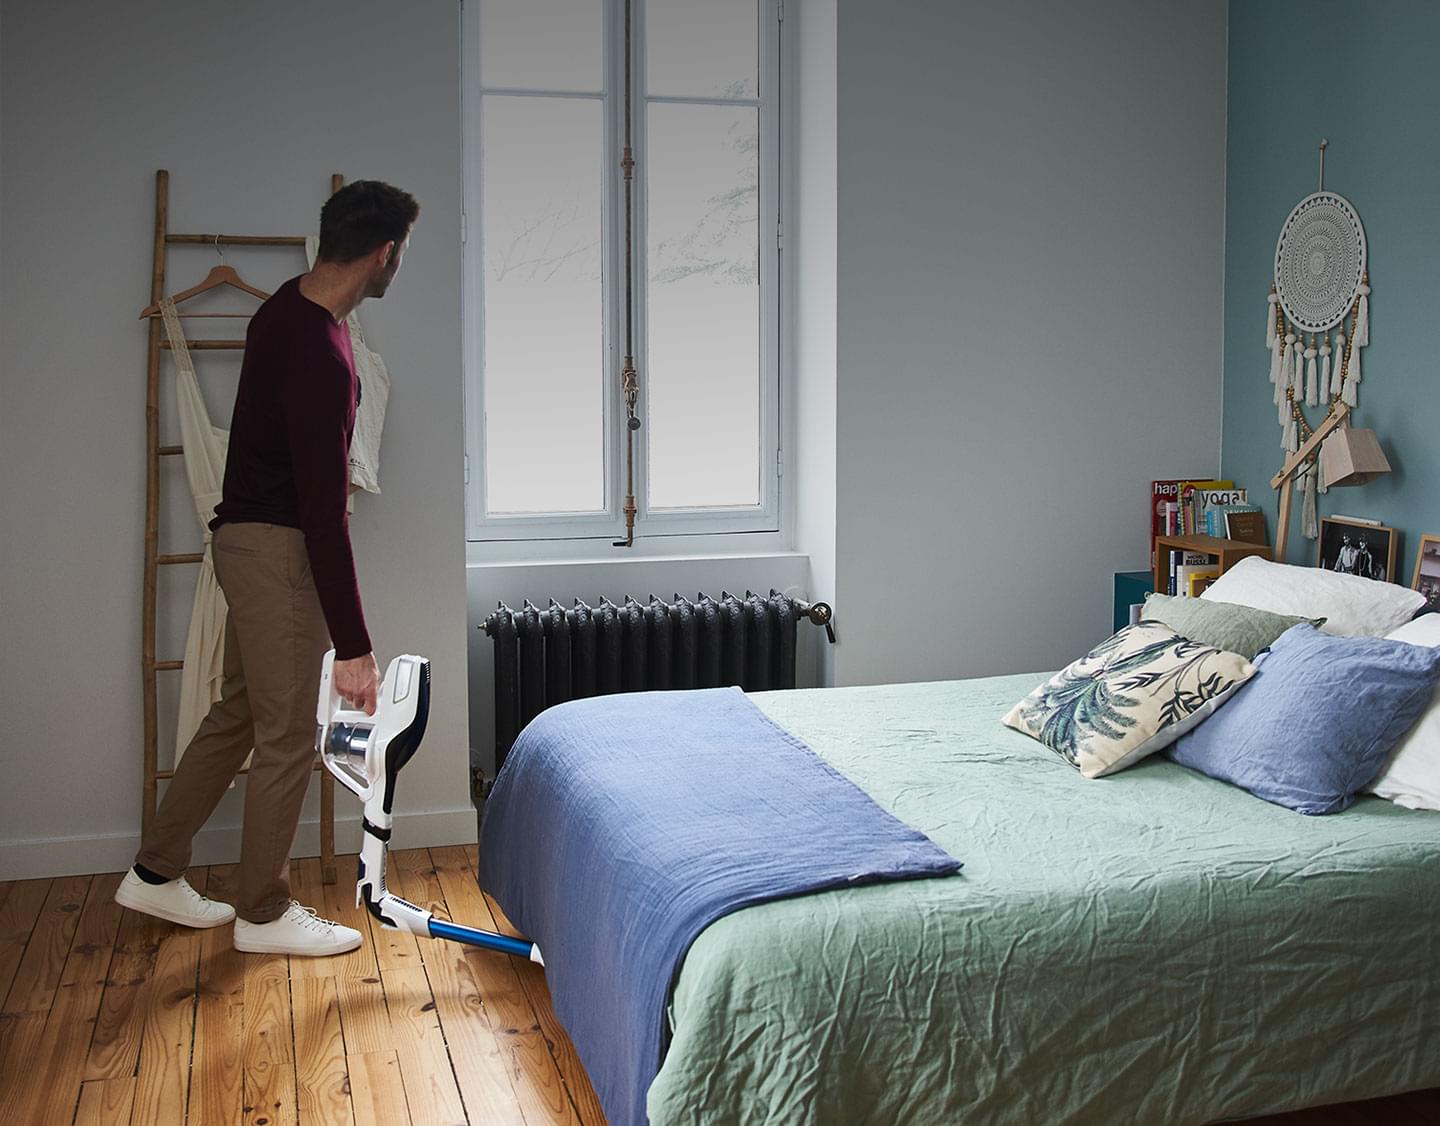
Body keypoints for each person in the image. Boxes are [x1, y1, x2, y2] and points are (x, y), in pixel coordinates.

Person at [115, 181, 420, 956]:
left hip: (246, 542)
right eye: (402, 251)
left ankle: (154, 873)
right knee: (287, 733)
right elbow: (323, 511)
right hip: (280, 548)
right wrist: (355, 645)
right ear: (385, 253)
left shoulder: (288, 309)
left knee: (243, 712)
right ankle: (263, 912)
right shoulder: (319, 350)